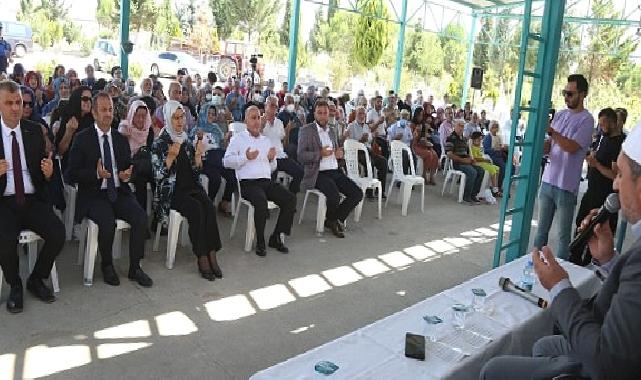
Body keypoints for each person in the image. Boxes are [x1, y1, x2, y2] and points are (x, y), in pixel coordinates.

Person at [480, 121, 641, 380]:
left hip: (603, 365)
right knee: (544, 346)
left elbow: (608, 363)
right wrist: (608, 259)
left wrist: (559, 288)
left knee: (493, 370)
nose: (614, 186)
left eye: (620, 175)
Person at [66, 92, 152, 287]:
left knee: (140, 217)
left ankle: (135, 267)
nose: (108, 114)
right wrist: (96, 175)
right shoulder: (82, 139)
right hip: (94, 194)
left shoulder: (119, 138)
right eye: (103, 110)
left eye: (110, 110)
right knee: (106, 222)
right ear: (94, 114)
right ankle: (107, 264)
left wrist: (127, 174)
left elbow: (129, 165)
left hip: (118, 190)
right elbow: (71, 174)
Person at [0, 80, 65, 313]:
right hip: (4, 202)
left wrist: (48, 173)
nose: (15, 108)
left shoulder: (32, 131)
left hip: (31, 198)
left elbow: (42, 172)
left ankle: (36, 278)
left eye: (18, 102)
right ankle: (15, 284)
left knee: (58, 233)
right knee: (4, 240)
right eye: (9, 103)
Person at [151, 101, 222, 281]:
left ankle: (212, 252)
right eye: (175, 118)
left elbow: (196, 171)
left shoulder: (186, 138)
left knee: (208, 206)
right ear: (168, 118)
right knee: (196, 210)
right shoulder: (160, 142)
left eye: (182, 117)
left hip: (191, 186)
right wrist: (170, 158)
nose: (180, 121)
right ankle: (202, 256)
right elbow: (158, 177)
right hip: (173, 192)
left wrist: (198, 156)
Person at [533, 74, 595, 260]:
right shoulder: (559, 115)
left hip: (566, 187)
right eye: (564, 92)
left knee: (562, 237)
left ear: (582, 94)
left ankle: (560, 276)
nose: (566, 97)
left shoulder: (587, 120)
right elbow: (551, 145)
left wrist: (551, 131)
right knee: (540, 232)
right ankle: (533, 266)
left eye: (570, 93)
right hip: (547, 181)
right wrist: (538, 146)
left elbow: (571, 147)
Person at [224, 106, 296, 256]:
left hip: (266, 182)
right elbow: (226, 161)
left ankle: (276, 237)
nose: (257, 121)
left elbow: (273, 167)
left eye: (258, 118)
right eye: (253, 118)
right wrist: (245, 158)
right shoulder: (238, 139)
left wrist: (271, 159)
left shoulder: (266, 141)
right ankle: (260, 241)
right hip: (248, 184)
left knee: (290, 199)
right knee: (261, 201)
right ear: (246, 121)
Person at [298, 100, 363, 238]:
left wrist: (340, 154)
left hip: (335, 170)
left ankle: (333, 219)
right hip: (318, 173)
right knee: (333, 195)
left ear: (329, 114)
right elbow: (301, 156)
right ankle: (333, 221)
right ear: (314, 114)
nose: (322, 116)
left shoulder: (332, 130)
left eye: (325, 113)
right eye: (319, 113)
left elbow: (336, 150)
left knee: (357, 193)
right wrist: (319, 154)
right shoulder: (306, 130)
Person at [570, 108, 625, 265]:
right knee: (581, 224)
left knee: (596, 230)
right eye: (600, 124)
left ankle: (589, 262)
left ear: (614, 123)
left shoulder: (619, 143)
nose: (602, 127)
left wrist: (597, 165)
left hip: (604, 196)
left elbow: (615, 175)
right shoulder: (603, 138)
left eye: (604, 124)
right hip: (591, 191)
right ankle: (575, 256)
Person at [196, 103, 235, 215]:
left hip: (217, 159)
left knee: (232, 175)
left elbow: (223, 146)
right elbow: (193, 149)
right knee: (216, 179)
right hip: (204, 160)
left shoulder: (217, 129)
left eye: (213, 114)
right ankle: (208, 203)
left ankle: (224, 202)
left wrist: (227, 139)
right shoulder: (197, 129)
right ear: (203, 113)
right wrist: (198, 139)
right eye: (209, 113)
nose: (211, 116)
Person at [118, 100, 157, 210]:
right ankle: (143, 214)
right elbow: (122, 155)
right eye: (137, 116)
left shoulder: (148, 131)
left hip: (144, 168)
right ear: (132, 115)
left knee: (153, 175)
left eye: (143, 116)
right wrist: (125, 137)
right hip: (129, 167)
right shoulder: (125, 128)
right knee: (142, 177)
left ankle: (156, 212)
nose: (141, 119)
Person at [262, 96, 303, 194]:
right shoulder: (259, 121)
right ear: (265, 106)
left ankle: (291, 195)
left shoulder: (279, 123)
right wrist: (260, 127)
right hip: (267, 158)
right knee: (270, 179)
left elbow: (284, 141)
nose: (274, 108)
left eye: (276, 106)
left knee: (300, 172)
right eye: (271, 105)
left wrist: (288, 130)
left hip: (281, 156)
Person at [344, 106, 388, 197]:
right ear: (356, 114)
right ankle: (369, 190)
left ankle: (380, 191)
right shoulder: (351, 126)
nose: (362, 116)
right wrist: (360, 141)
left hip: (368, 151)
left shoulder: (366, 126)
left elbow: (370, 141)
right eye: (359, 113)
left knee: (383, 162)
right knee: (369, 163)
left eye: (363, 113)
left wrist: (372, 137)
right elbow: (349, 144)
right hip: (357, 152)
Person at [55, 86, 95, 173]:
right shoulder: (68, 116)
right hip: (71, 167)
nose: (88, 102)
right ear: (77, 99)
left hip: (91, 168)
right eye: (85, 99)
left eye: (90, 99)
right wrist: (69, 132)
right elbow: (60, 151)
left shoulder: (93, 119)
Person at [445, 119, 484, 205]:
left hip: (466, 161)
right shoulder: (450, 138)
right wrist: (463, 160)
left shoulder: (464, 139)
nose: (461, 128)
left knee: (481, 170)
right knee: (472, 172)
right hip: (457, 163)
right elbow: (449, 154)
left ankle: (473, 195)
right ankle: (466, 197)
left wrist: (471, 159)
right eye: (459, 125)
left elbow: (467, 152)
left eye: (462, 126)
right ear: (454, 126)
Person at [409, 108, 439, 186]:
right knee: (429, 154)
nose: (420, 117)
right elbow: (411, 139)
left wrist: (426, 143)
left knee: (435, 155)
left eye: (422, 115)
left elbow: (424, 138)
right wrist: (416, 132)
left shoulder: (424, 125)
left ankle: (432, 176)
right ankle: (424, 174)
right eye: (419, 115)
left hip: (422, 145)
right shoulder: (412, 124)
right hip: (414, 146)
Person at [470, 131, 502, 197]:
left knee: (497, 168)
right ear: (473, 140)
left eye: (480, 140)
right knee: (492, 169)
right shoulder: (472, 148)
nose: (479, 142)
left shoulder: (480, 147)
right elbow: (475, 158)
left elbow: (482, 155)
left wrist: (486, 160)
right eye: (478, 140)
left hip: (483, 163)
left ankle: (494, 186)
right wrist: (485, 160)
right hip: (478, 164)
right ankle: (495, 190)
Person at [482, 121, 508, 190]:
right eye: (493, 127)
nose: (495, 129)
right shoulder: (488, 137)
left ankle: (499, 186)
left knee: (509, 167)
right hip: (492, 156)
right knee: (502, 167)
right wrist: (494, 149)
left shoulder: (499, 137)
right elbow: (485, 150)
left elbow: (501, 147)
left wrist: (503, 147)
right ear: (490, 128)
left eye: (496, 127)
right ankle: (497, 187)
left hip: (499, 155)